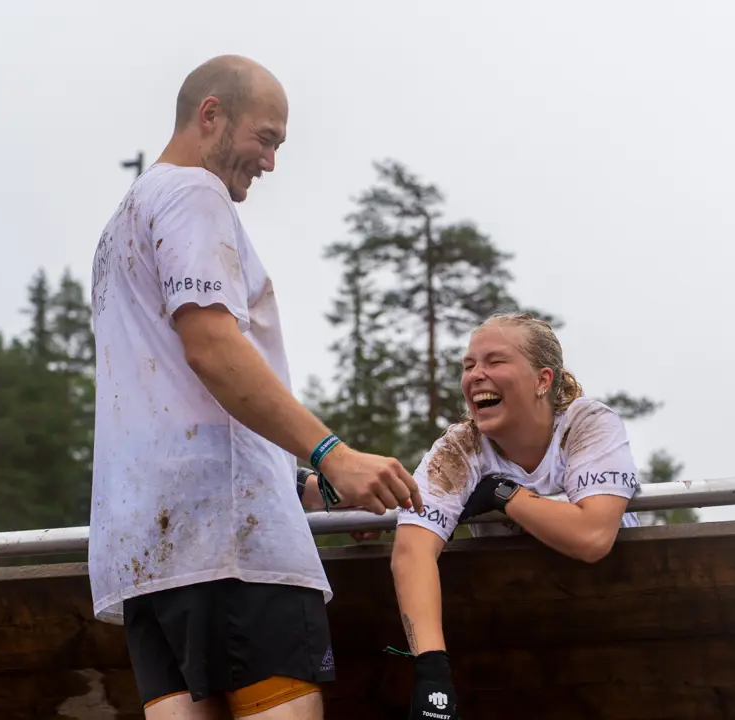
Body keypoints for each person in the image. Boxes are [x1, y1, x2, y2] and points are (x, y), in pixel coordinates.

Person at [87, 54, 423, 720]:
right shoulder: (193, 194)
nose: (270, 162)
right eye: (265, 138)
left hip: (148, 556)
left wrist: (301, 486)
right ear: (211, 114)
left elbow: (173, 401)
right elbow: (212, 348)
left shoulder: (121, 222)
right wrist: (334, 453)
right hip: (228, 546)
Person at [390, 312, 641, 719]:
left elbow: (592, 537)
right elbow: (412, 551)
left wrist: (504, 494)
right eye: (469, 365)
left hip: (619, 627)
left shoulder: (588, 423)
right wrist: (431, 668)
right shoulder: (459, 448)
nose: (476, 375)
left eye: (495, 361)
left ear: (543, 380)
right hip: (516, 642)